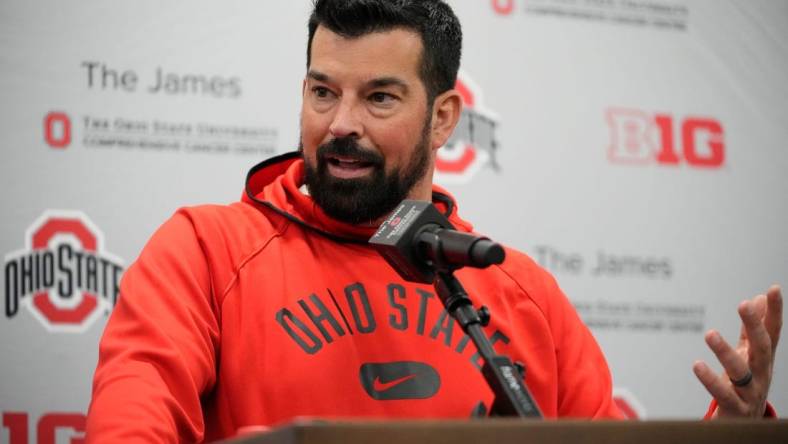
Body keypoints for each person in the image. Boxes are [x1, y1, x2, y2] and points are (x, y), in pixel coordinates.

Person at [85, 0, 783, 441]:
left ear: (443, 117)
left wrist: (736, 434)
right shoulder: (204, 251)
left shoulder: (518, 290)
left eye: (380, 98)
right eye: (323, 92)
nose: (341, 125)